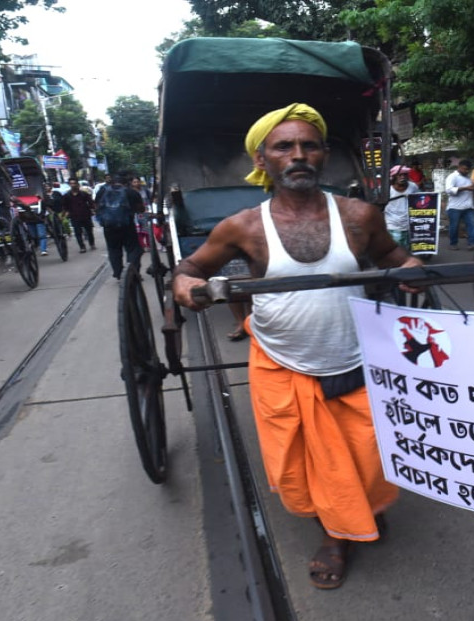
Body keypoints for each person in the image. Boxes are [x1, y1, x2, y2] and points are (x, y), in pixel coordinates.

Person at [172, 103, 423, 589]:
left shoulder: (358, 216)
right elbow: (188, 271)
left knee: (371, 455)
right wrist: (185, 287)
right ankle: (335, 534)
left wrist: (410, 270)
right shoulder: (241, 227)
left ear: (325, 155)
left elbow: (393, 257)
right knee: (304, 465)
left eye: (309, 145)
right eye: (283, 146)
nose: (298, 154)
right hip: (282, 363)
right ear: (262, 160)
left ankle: (359, 508)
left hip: (356, 357)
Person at [94, 173, 145, 279]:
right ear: (127, 183)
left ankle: (118, 273)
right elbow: (141, 209)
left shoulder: (102, 191)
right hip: (127, 226)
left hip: (109, 227)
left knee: (113, 250)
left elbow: (96, 207)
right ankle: (132, 273)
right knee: (133, 249)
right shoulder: (131, 192)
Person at [443, 159, 474, 250]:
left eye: (468, 169)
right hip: (455, 207)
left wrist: (473, 188)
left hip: (468, 206)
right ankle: (453, 243)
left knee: (472, 225)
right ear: (459, 167)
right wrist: (465, 188)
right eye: (464, 169)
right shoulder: (452, 177)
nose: (466, 171)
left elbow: (471, 189)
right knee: (454, 226)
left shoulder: (468, 177)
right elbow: (448, 190)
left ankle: (472, 243)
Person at [384, 165, 419, 249]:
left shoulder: (413, 187)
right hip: (392, 225)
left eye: (405, 174)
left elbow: (418, 200)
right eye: (399, 175)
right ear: (393, 177)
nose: (402, 177)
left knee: (409, 250)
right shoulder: (386, 189)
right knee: (396, 250)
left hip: (410, 224)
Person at [63, 177, 96, 253]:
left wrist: (93, 210)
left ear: (77, 184)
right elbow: (65, 206)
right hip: (74, 216)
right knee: (78, 233)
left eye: (74, 183)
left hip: (85, 215)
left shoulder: (84, 194)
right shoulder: (67, 196)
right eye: (71, 184)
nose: (73, 185)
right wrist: (65, 214)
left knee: (89, 231)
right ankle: (82, 247)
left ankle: (92, 243)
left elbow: (91, 203)